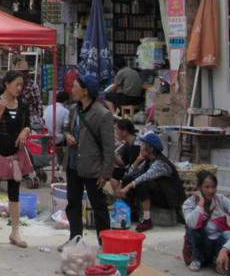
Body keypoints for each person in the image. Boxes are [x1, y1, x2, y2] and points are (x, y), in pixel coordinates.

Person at [63, 72, 115, 245]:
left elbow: (109, 147)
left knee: (98, 207)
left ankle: (105, 243)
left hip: (93, 168)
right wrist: (68, 136)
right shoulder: (73, 109)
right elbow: (67, 129)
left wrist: (105, 173)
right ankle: (75, 239)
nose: (73, 89)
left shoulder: (103, 114)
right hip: (73, 164)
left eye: (76, 86)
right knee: (73, 204)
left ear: (85, 91)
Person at [0, 70, 31, 250]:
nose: (19, 88)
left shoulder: (23, 105)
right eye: (16, 84)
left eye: (21, 85)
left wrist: (25, 131)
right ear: (6, 84)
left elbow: (28, 124)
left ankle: (15, 232)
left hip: (16, 155)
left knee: (14, 192)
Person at [117, 132, 185, 232]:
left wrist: (126, 188)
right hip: (159, 193)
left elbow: (144, 177)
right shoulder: (148, 159)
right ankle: (132, 212)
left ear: (150, 149)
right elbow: (130, 175)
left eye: (143, 145)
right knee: (128, 179)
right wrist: (137, 161)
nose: (140, 147)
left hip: (169, 198)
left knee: (142, 184)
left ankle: (147, 220)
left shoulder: (161, 164)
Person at [182, 171, 230, 273]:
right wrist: (200, 205)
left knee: (227, 234)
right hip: (200, 245)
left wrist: (225, 249)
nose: (211, 190)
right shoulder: (189, 203)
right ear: (199, 187)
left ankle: (217, 259)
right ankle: (197, 259)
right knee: (192, 226)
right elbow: (192, 224)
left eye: (213, 187)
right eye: (207, 187)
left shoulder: (220, 200)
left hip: (217, 244)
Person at [11, 55, 43, 129]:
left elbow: (38, 104)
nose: (22, 75)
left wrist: (38, 119)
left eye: (24, 72)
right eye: (19, 73)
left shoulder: (32, 86)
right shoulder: (12, 85)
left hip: (30, 119)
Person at [110, 119, 141, 187]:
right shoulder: (128, 143)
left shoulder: (137, 145)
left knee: (111, 173)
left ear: (125, 131)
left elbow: (135, 168)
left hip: (137, 173)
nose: (116, 133)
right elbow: (123, 162)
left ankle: (122, 193)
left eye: (117, 130)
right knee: (109, 171)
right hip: (130, 170)